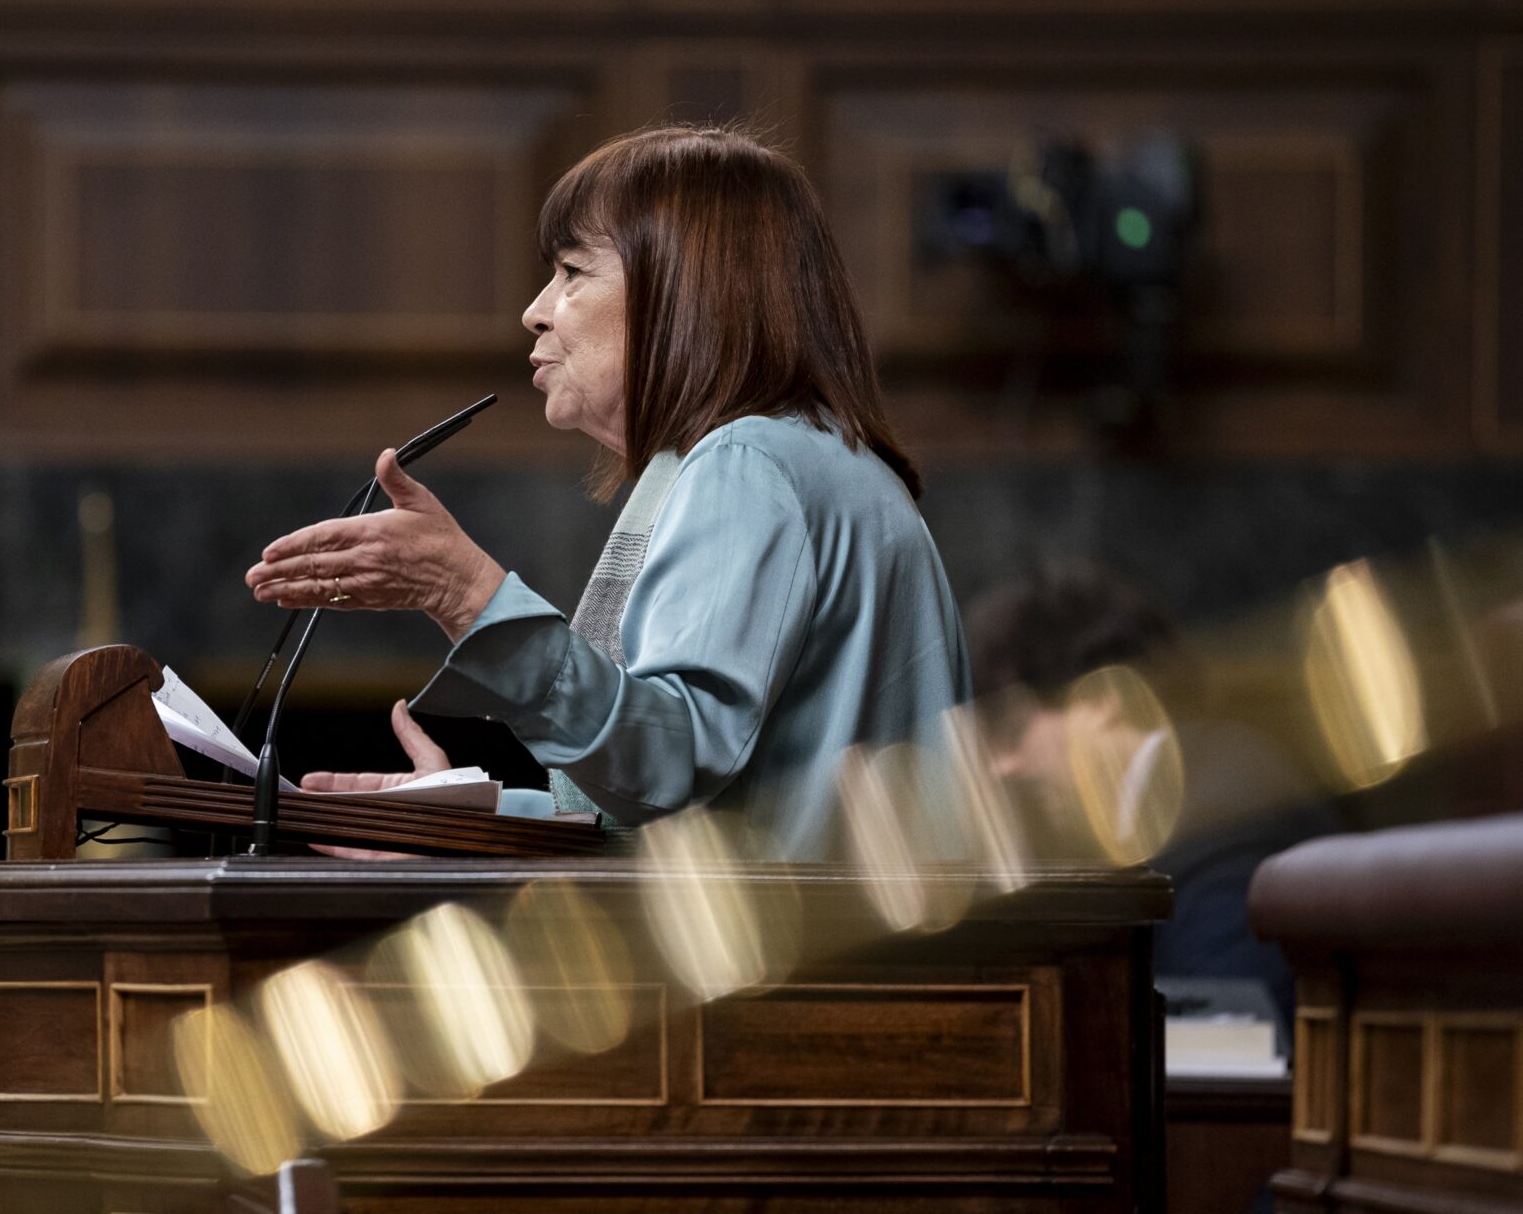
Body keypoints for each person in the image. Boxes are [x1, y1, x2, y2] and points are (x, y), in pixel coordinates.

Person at [245, 125, 971, 861]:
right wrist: (466, 826)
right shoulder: (806, 453)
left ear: (681, 292)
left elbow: (669, 768)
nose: (534, 310)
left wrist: (467, 596)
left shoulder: (748, 462)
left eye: (571, 271)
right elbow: (719, 815)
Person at [966, 560, 1340, 1016]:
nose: (999, 768)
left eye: (1012, 731)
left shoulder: (1216, 817)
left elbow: (1235, 1039)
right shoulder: (1200, 786)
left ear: (1103, 697)